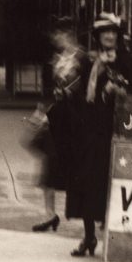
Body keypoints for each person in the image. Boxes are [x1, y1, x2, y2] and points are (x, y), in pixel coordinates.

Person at [67, 12, 132, 257]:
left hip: (116, 131)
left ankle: (112, 237)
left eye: (113, 32)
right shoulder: (89, 61)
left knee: (113, 184)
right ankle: (88, 237)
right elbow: (79, 94)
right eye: (104, 32)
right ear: (98, 36)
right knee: (87, 182)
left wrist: (119, 90)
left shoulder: (127, 61)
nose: (109, 36)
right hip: (90, 130)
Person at [31, 17, 87, 233]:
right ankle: (50, 214)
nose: (56, 39)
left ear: (69, 34)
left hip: (74, 121)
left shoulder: (82, 59)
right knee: (49, 165)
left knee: (77, 169)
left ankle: (89, 218)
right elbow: (50, 88)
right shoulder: (57, 59)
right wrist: (41, 110)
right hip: (55, 120)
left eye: (59, 35)